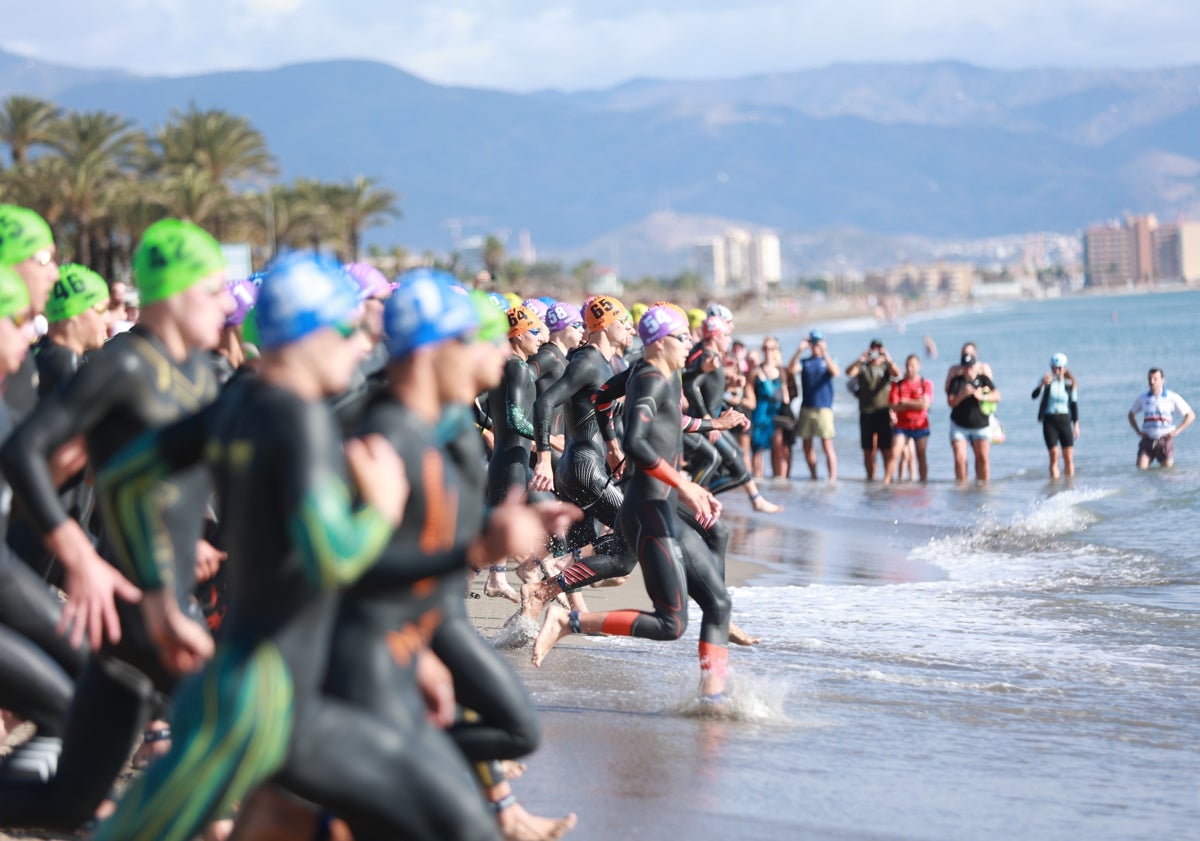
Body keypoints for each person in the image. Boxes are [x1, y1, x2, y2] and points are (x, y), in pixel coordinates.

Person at [89, 252, 425, 841]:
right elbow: (331, 555)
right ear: (310, 333)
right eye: (352, 330)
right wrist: (383, 507)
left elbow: (119, 477)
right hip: (267, 693)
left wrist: (156, 594)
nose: (362, 346)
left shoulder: (238, 401)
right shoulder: (304, 421)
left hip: (249, 674)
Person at [533, 305, 731, 701]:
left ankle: (713, 700)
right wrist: (685, 484)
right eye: (684, 337)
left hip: (658, 501)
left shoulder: (645, 372)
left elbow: (604, 400)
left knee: (718, 597)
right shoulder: (653, 379)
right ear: (662, 341)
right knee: (670, 623)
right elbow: (639, 442)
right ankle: (566, 619)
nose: (691, 343)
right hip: (649, 509)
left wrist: (712, 426)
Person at [844, 338, 900, 481]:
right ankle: (871, 478)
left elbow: (898, 375)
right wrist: (860, 359)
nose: (875, 352)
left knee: (885, 449)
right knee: (868, 449)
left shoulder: (886, 367)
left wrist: (887, 357)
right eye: (873, 349)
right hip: (866, 413)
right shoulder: (863, 367)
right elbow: (849, 373)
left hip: (883, 412)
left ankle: (888, 478)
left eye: (878, 349)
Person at [789, 330, 840, 481]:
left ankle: (832, 478)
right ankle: (814, 476)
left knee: (827, 445)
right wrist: (800, 349)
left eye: (818, 342)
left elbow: (836, 372)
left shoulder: (829, 360)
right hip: (806, 408)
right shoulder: (805, 362)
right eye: (813, 343)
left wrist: (825, 353)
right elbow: (791, 369)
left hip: (824, 409)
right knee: (807, 445)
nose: (815, 346)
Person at [946, 350, 999, 483]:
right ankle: (962, 486)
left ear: (975, 366)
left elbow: (997, 396)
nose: (968, 369)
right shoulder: (957, 381)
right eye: (965, 366)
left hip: (981, 424)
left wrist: (982, 396)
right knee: (960, 458)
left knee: (982, 457)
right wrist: (961, 395)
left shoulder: (983, 379)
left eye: (970, 366)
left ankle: (983, 485)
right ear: (962, 367)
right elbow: (950, 402)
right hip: (959, 425)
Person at [1128, 368, 1193, 469]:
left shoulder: (1172, 397)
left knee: (1167, 474)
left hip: (1165, 440)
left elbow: (1190, 416)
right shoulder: (1143, 398)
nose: (1152, 381)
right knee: (1141, 469)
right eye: (1150, 378)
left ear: (1162, 380)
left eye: (1155, 378)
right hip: (1147, 439)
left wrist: (1176, 431)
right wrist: (1138, 432)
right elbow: (1131, 415)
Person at [885, 354, 933, 483]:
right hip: (902, 426)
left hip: (920, 425)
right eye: (907, 365)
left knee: (921, 455)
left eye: (912, 365)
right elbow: (893, 406)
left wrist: (905, 402)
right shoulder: (898, 384)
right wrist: (916, 403)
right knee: (895, 453)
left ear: (919, 366)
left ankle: (924, 483)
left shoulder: (925, 383)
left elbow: (925, 405)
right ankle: (887, 482)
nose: (909, 368)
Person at [1032, 353, 1079, 479]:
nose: (1057, 371)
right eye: (1054, 368)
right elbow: (1034, 395)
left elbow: (1074, 405)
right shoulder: (1046, 381)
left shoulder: (1070, 384)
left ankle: (1069, 486)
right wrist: (1042, 384)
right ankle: (1055, 486)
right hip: (1049, 420)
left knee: (1068, 456)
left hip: (1064, 419)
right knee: (1054, 455)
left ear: (1065, 368)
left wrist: (1076, 425)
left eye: (1060, 368)